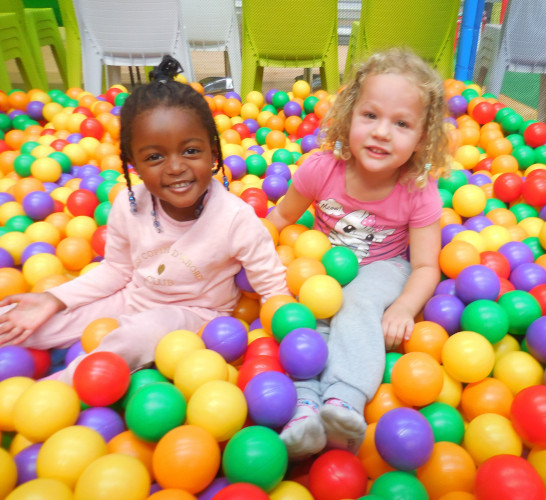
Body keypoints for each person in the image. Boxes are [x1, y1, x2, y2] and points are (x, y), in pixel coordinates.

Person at [0, 56, 289, 383]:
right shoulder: (128, 204)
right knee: (24, 318)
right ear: (132, 163)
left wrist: (287, 341)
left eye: (191, 151)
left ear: (213, 151)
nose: (176, 166)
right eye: (154, 157)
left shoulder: (236, 218)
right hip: (132, 298)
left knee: (141, 334)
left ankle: (56, 390)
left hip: (196, 315)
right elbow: (116, 270)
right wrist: (53, 299)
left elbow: (273, 288)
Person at [267, 48, 449, 458]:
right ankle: (305, 407)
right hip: (322, 268)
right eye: (370, 116)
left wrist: (404, 306)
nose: (382, 132)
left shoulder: (418, 190)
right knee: (304, 314)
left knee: (359, 302)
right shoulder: (320, 169)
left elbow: (425, 266)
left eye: (401, 123)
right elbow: (280, 218)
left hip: (385, 266)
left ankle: (345, 398)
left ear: (422, 137)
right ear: (349, 116)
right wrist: (252, 243)